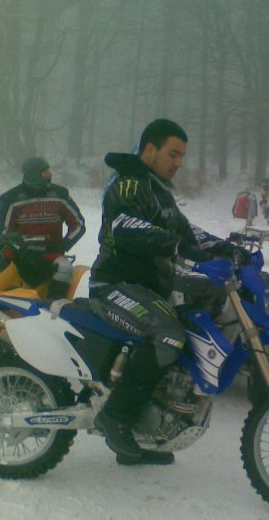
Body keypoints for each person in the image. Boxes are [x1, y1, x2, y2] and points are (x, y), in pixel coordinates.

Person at [90, 118, 241, 466]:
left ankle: (146, 433)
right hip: (113, 286)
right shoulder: (128, 185)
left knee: (186, 329)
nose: (178, 162)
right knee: (168, 334)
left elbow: (187, 233)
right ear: (149, 149)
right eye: (173, 154)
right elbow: (126, 227)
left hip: (147, 288)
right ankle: (115, 417)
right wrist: (182, 249)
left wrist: (226, 248)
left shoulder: (158, 192)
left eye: (182, 156)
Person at [0, 157, 86, 298]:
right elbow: (4, 232)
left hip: (51, 253)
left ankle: (53, 305)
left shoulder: (60, 194)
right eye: (45, 172)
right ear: (33, 174)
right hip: (20, 255)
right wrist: (19, 249)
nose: (50, 174)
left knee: (65, 269)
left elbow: (78, 224)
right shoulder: (10, 198)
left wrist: (63, 244)